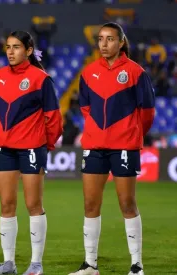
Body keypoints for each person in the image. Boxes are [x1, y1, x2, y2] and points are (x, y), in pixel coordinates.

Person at [69, 22, 155, 275]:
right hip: (95, 146)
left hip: (124, 146)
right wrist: (98, 132)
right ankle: (90, 265)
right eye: (100, 39)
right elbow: (85, 109)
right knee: (90, 204)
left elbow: (147, 113)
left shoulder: (136, 73)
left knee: (127, 203)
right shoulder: (88, 73)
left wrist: (130, 134)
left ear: (121, 42)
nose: (104, 44)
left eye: (109, 39)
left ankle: (137, 265)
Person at [0, 30, 63, 275]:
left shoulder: (41, 79)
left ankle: (36, 264)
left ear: (28, 51)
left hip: (32, 147)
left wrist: (44, 146)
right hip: (5, 148)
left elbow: (54, 118)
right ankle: (8, 263)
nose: (10, 51)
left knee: (33, 204)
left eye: (16, 47)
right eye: (8, 46)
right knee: (6, 204)